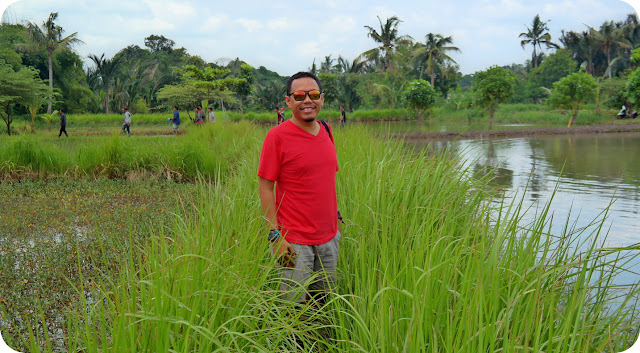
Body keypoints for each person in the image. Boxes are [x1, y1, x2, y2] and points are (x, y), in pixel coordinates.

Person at [258, 72, 340, 305]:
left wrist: (335, 216)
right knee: (294, 308)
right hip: (294, 241)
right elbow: (265, 187)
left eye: (313, 94)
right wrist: (276, 237)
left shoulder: (326, 130)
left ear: (322, 99)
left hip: (329, 237)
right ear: (288, 101)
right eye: (299, 95)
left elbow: (324, 179)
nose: (307, 100)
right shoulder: (277, 137)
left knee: (325, 302)